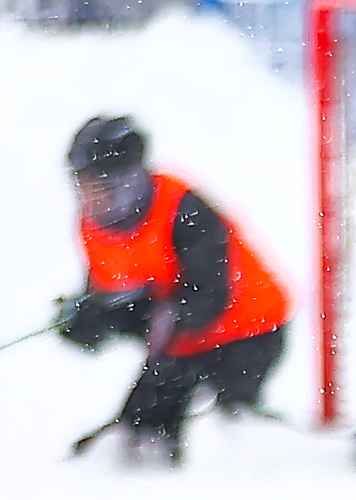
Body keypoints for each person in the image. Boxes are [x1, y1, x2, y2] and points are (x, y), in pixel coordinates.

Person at [57, 114, 290, 465]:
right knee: (137, 433)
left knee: (228, 429)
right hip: (180, 346)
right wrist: (87, 320)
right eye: (85, 188)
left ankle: (315, 454)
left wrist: (141, 315)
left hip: (248, 331)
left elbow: (208, 300)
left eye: (105, 188)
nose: (96, 200)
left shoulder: (184, 210)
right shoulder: (93, 230)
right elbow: (111, 298)